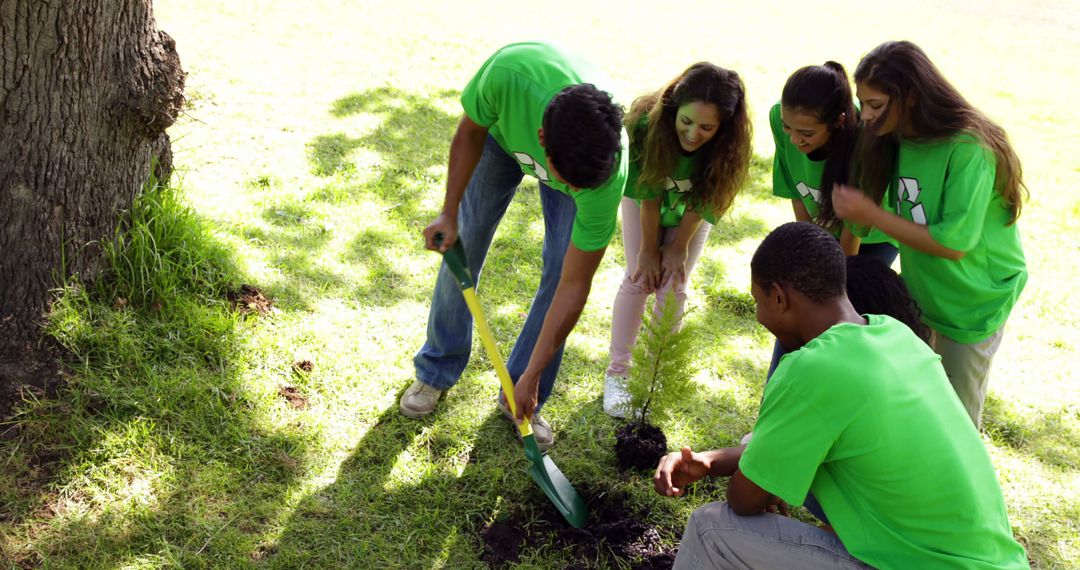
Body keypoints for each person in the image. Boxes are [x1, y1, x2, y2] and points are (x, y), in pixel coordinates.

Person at [655, 222, 1029, 570]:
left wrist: (756, 480)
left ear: (780, 297)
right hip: (993, 561)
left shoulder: (813, 369)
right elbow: (797, 447)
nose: (758, 315)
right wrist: (712, 462)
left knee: (711, 529)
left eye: (758, 301)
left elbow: (744, 500)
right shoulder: (895, 336)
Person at [402, 42, 628, 449]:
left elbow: (574, 286)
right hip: (500, 138)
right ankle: (436, 369)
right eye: (569, 182)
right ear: (542, 141)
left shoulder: (604, 173)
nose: (574, 192)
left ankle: (522, 392)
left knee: (561, 270)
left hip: (571, 154)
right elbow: (470, 131)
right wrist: (449, 212)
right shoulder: (508, 76)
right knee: (464, 242)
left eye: (582, 187)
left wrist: (533, 374)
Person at [834, 40, 1028, 426]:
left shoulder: (969, 146)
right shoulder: (893, 138)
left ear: (908, 97)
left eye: (875, 104)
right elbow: (858, 224)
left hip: (971, 302)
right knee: (916, 405)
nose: (866, 116)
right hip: (923, 295)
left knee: (955, 420)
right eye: (863, 103)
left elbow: (953, 243)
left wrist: (873, 213)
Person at [603, 63, 751, 417]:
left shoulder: (728, 147)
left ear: (723, 126)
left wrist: (678, 245)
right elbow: (648, 193)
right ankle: (618, 375)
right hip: (645, 203)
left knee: (675, 282)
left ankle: (655, 376)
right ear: (674, 105)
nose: (693, 133)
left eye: (707, 127)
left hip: (691, 213)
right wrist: (649, 249)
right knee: (640, 277)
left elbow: (709, 195)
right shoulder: (646, 125)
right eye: (686, 121)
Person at [771, 62, 897, 264]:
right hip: (823, 227)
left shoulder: (865, 135)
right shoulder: (778, 116)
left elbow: (855, 225)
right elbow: (795, 191)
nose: (794, 139)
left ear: (839, 121)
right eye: (788, 127)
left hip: (871, 234)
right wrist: (811, 245)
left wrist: (841, 277)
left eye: (807, 133)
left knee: (855, 291)